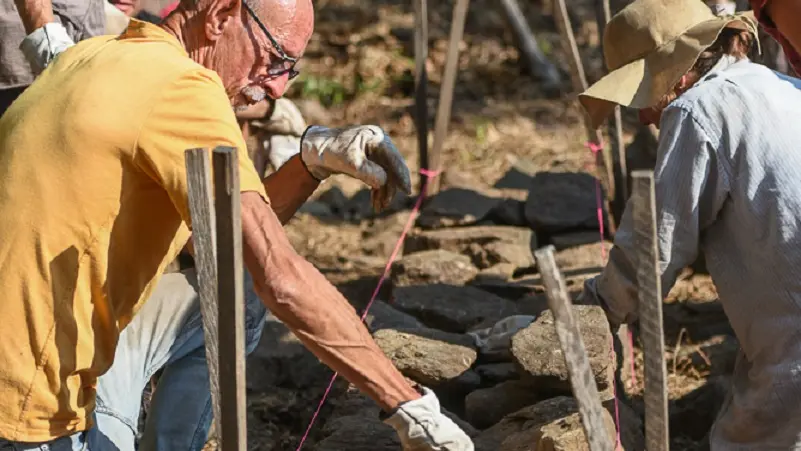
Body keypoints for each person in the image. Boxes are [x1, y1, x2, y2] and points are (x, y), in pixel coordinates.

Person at [0, 0, 475, 450]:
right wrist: (410, 408)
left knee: (236, 293)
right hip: (23, 409)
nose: (277, 87)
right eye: (274, 58)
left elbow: (209, 246)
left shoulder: (93, 55)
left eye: (290, 69)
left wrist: (311, 159)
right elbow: (281, 277)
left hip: (30, 352)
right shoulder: (182, 88)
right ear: (222, 14)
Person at [577, 0, 801, 449]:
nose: (643, 116)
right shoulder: (784, 86)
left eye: (643, 95)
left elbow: (654, 248)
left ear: (677, 73)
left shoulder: (697, 109)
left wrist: (594, 310)